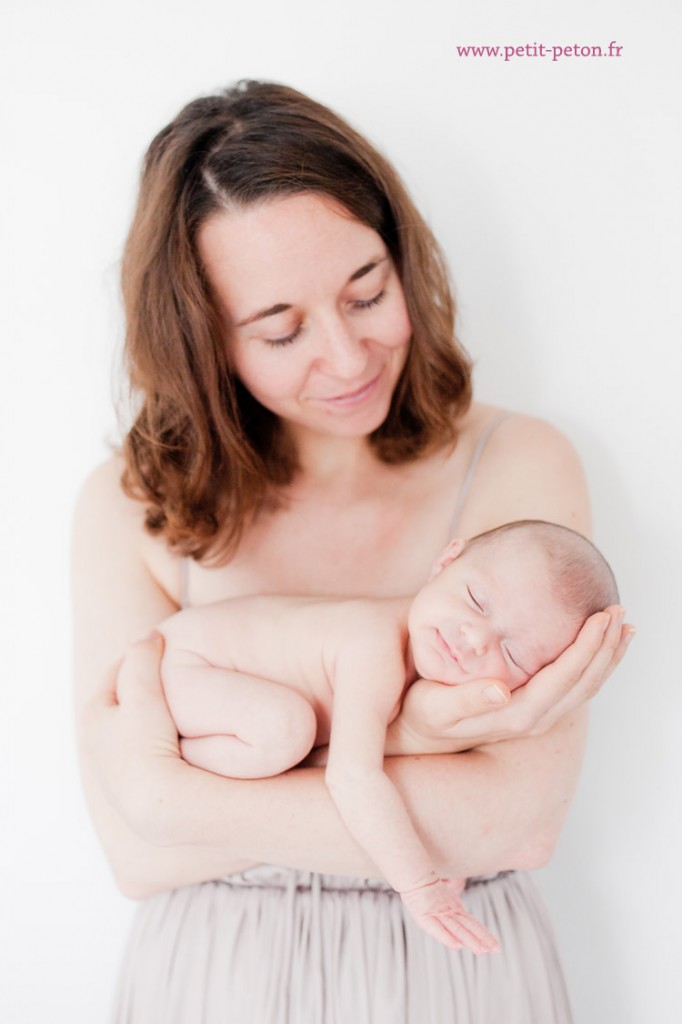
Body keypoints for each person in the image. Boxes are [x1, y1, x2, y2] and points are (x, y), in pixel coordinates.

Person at [72, 80, 633, 1023]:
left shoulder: (518, 466)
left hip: (460, 969)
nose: (347, 355)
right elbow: (135, 853)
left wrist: (186, 795)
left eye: (367, 292)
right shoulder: (136, 504)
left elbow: (519, 821)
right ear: (205, 344)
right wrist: (420, 741)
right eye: (281, 330)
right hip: (221, 980)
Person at [158, 519, 618, 957]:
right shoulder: (375, 644)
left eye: (513, 653)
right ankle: (177, 760)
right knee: (284, 730)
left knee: (291, 734)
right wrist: (421, 887)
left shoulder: (438, 678)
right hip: (189, 662)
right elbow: (354, 777)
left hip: (208, 680)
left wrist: (447, 862)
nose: (475, 638)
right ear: (446, 560)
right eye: (476, 600)